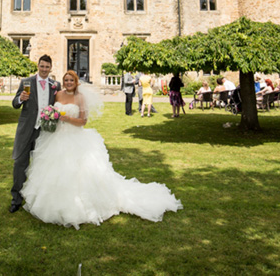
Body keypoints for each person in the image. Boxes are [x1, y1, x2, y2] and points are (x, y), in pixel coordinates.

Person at [21, 71, 182, 229]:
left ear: (76, 82)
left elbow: (83, 121)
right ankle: (52, 203)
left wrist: (67, 118)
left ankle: (79, 206)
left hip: (74, 138)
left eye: (71, 80)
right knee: (53, 172)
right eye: (66, 80)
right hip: (56, 138)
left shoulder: (80, 98)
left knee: (76, 174)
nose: (68, 82)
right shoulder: (57, 95)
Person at [10, 55, 60, 213]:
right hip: (26, 130)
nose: (44, 70)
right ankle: (16, 199)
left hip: (44, 131)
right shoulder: (26, 83)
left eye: (47, 67)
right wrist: (20, 98)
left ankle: (37, 199)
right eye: (42, 66)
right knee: (20, 163)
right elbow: (15, 104)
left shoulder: (55, 85)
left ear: (50, 68)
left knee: (41, 166)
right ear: (38, 66)